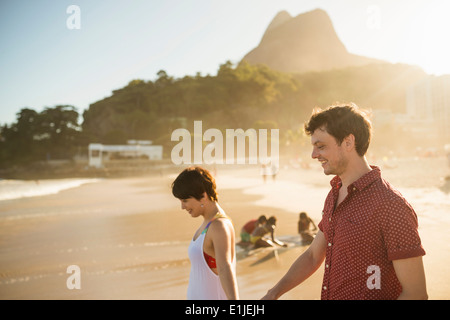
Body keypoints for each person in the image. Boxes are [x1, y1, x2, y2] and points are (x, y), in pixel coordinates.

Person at [262, 104, 427, 300]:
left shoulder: (390, 204)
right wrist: (273, 294)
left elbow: (415, 293)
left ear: (348, 142)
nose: (314, 155)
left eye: (321, 146)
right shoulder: (334, 194)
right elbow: (313, 256)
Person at [171, 166, 239, 300]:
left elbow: (225, 268)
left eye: (185, 200)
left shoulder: (218, 226)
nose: (182, 207)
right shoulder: (209, 224)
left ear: (203, 196)